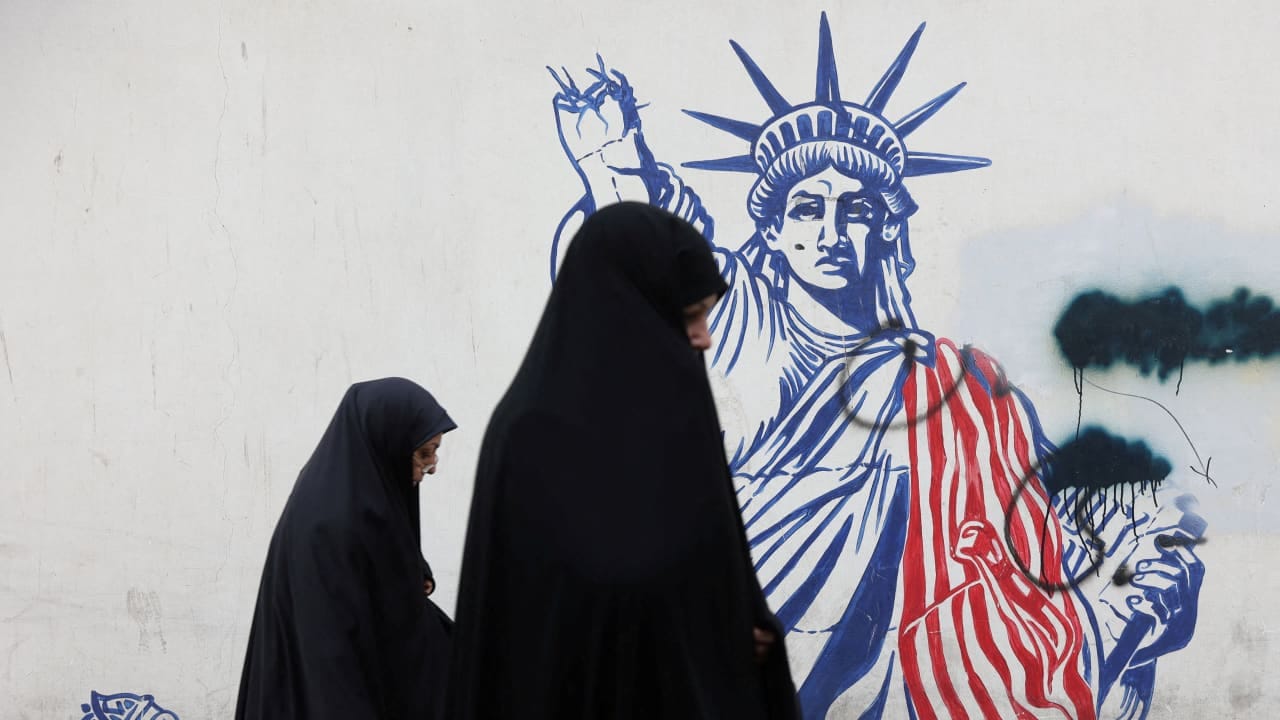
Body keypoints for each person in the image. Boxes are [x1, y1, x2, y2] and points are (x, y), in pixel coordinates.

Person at [545, 15, 1205, 719]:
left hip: (908, 683)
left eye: (854, 209)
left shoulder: (962, 383)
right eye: (806, 209)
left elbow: (1040, 520)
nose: (831, 232)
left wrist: (1144, 575)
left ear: (887, 225)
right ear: (773, 229)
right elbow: (656, 259)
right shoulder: (745, 330)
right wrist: (618, 165)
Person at [446, 202, 800, 720]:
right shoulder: (528, 433)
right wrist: (694, 625)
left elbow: (714, 560)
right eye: (689, 315)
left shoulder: (681, 417)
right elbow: (538, 617)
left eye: (706, 314)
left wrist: (739, 625)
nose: (704, 336)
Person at [235, 377, 457, 719]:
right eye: (424, 453)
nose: (431, 466)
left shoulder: (367, 504)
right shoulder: (328, 524)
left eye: (435, 452)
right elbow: (328, 656)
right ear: (390, 443)